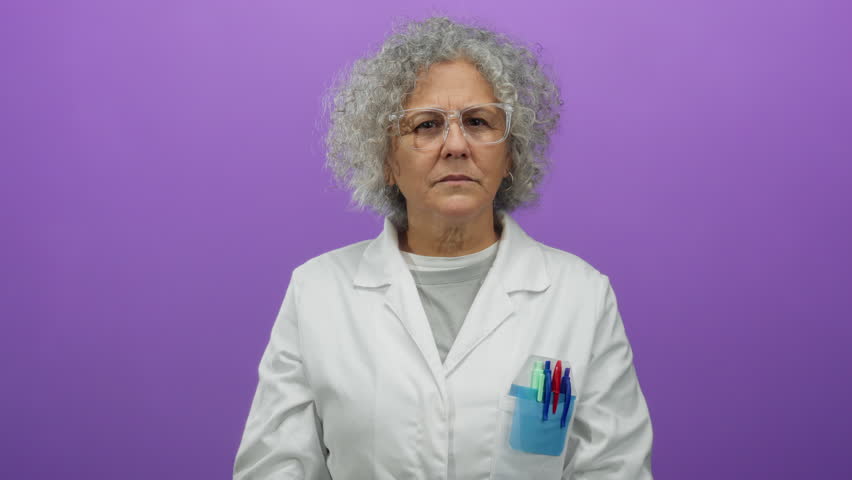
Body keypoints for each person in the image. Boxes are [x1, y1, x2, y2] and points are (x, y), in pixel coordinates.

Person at [233, 16, 653, 480]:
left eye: (478, 121)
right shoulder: (317, 293)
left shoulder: (580, 297)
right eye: (427, 125)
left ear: (511, 155)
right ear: (387, 160)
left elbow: (615, 469)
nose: (455, 145)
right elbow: (274, 469)